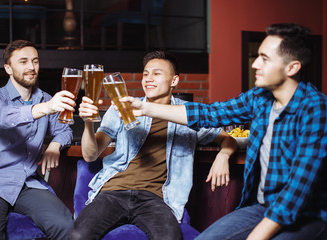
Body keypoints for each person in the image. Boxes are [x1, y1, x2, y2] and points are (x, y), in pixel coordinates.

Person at [120, 23, 327, 240]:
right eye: (257, 56)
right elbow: (211, 113)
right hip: (261, 208)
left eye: (264, 59)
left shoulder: (315, 109)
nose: (255, 64)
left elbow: (296, 192)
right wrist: (145, 108)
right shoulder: (260, 97)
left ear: (292, 68)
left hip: (307, 215)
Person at [70, 51, 238, 240]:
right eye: (145, 74)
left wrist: (223, 156)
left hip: (155, 199)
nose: (148, 79)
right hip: (113, 193)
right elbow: (90, 155)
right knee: (78, 235)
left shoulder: (187, 114)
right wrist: (87, 123)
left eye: (157, 74)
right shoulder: (122, 107)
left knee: (170, 237)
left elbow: (227, 138)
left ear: (174, 81)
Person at [0, 40, 75, 239]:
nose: (31, 67)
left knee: (69, 228)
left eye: (35, 61)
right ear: (8, 68)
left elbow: (65, 130)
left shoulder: (44, 98)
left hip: (27, 184)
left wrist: (55, 145)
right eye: (23, 62)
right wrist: (47, 108)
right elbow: (3, 117)